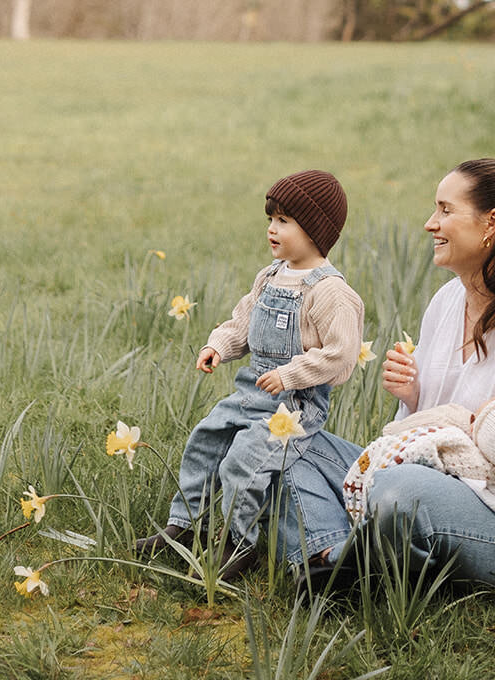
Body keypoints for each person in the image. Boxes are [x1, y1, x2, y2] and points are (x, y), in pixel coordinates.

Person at [279, 157, 495, 589]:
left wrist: (452, 459)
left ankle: (350, 558)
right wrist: (414, 396)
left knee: (399, 491)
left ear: (491, 224)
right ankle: (336, 557)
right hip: (426, 488)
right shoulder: (447, 302)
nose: (431, 223)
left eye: (446, 210)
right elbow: (429, 431)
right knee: (288, 443)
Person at [135, 169, 364, 582]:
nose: (271, 230)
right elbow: (243, 323)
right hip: (251, 392)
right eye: (270, 220)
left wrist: (293, 374)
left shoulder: (330, 293)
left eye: (283, 221)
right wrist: (218, 346)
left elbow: (341, 356)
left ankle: (238, 545)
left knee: (245, 461)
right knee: (207, 438)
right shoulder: (270, 276)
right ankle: (187, 524)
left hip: (294, 407)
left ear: (314, 230)